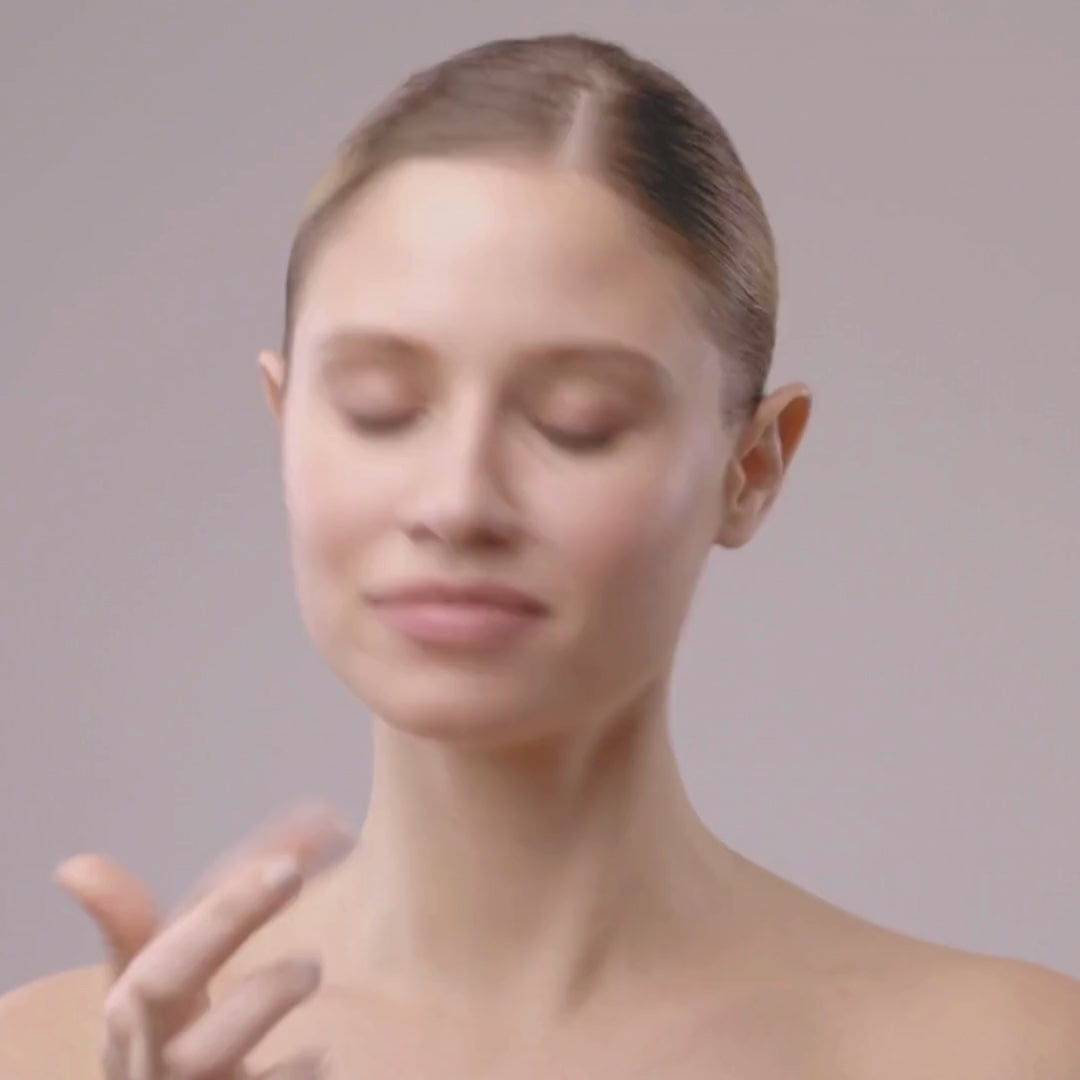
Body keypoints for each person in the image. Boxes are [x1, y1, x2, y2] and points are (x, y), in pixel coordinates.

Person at [2, 31, 1079, 1080]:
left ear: (750, 467)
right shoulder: (47, 1057)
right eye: (380, 407)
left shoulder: (1010, 1055)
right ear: (286, 425)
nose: (459, 501)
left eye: (579, 421)